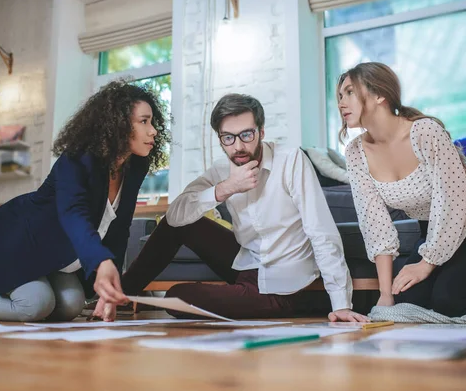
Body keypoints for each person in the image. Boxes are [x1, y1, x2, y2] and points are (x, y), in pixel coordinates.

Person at [104, 93, 368, 322]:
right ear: (220, 139)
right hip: (245, 263)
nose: (239, 146)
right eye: (228, 138)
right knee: (179, 223)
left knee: (177, 297)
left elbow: (321, 230)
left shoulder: (291, 161)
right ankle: (119, 295)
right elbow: (175, 216)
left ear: (261, 132)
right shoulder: (222, 169)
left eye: (246, 135)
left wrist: (341, 304)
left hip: (280, 284)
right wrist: (225, 188)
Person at [0, 80, 170, 322]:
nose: (153, 130)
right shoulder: (78, 157)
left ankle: (16, 289)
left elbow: (120, 228)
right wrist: (101, 262)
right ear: (118, 124)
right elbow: (73, 213)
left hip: (51, 255)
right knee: (36, 305)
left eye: (152, 122)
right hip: (6, 241)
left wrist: (107, 289)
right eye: (144, 121)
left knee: (72, 306)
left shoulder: (134, 166)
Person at [337, 62, 466, 317]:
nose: (342, 102)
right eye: (340, 95)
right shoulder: (355, 153)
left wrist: (427, 264)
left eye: (350, 92)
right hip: (432, 229)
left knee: (449, 301)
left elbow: (455, 204)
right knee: (406, 301)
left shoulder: (425, 131)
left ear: (379, 95)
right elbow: (374, 224)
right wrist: (386, 296)